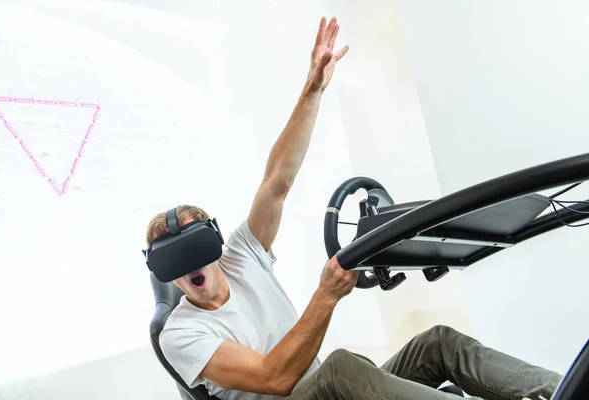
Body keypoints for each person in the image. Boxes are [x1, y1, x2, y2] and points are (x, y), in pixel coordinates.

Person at [145, 16, 563, 400]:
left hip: (328, 390)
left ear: (214, 242)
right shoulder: (180, 334)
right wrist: (325, 297)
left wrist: (313, 90)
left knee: (435, 344)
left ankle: (564, 391)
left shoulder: (242, 254)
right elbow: (274, 378)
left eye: (194, 252)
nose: (188, 269)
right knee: (341, 369)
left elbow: (278, 180)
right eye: (173, 263)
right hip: (306, 392)